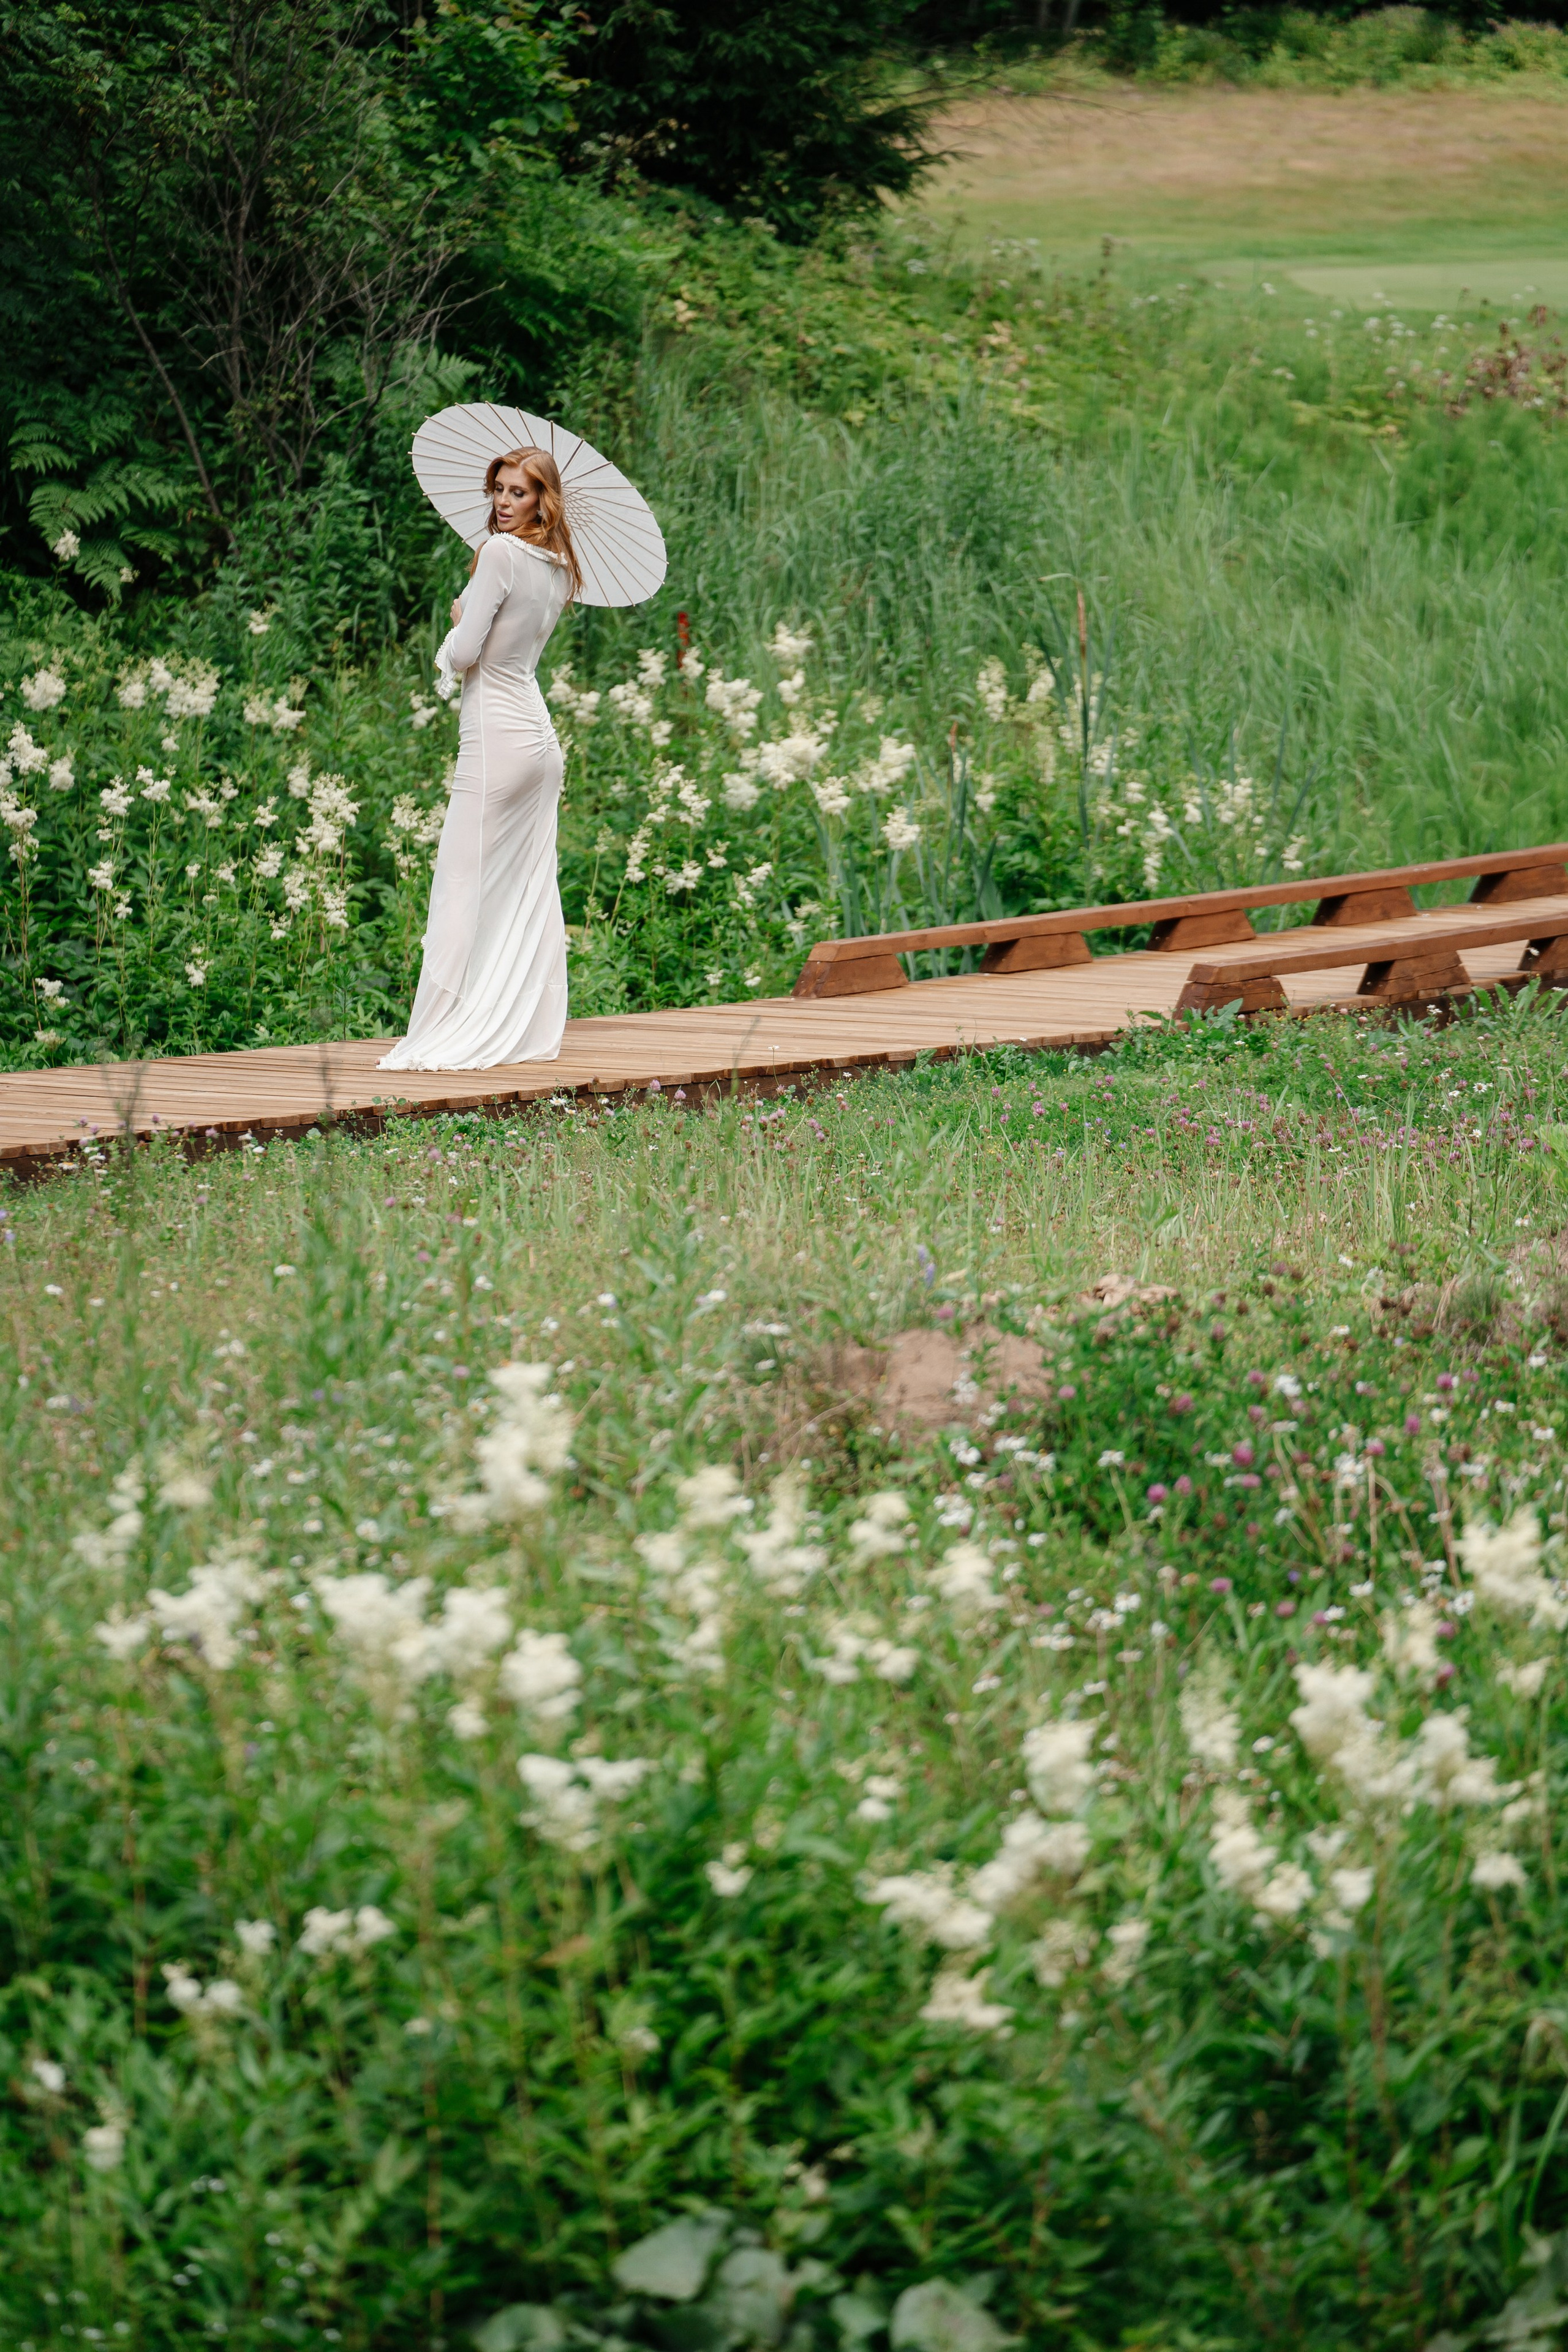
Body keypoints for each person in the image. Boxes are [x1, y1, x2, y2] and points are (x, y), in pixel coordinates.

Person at [379, 446, 581, 1071]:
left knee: (462, 883)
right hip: (540, 744)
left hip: (497, 739)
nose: (502, 502)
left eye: (518, 493)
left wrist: (460, 619)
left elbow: (467, 655)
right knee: (525, 887)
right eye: (498, 489)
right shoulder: (562, 567)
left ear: (542, 500)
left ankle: (446, 1030)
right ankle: (518, 1026)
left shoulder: (499, 555)